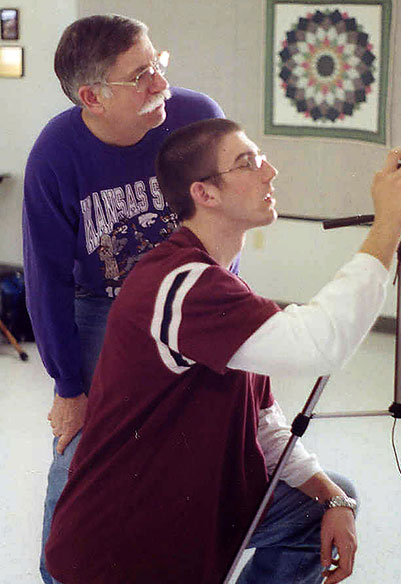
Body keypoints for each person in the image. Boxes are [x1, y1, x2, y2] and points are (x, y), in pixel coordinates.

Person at [45, 118, 401, 584]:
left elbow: (263, 421)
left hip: (186, 507)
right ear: (204, 194)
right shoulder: (180, 285)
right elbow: (320, 345)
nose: (269, 172)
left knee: (328, 501)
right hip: (119, 551)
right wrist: (389, 225)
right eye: (247, 163)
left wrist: (332, 498)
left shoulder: (221, 284)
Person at [22, 14, 226, 584]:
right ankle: (58, 574)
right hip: (102, 307)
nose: (160, 83)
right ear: (92, 96)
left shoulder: (195, 118)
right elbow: (45, 280)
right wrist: (69, 385)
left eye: (158, 64)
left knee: (203, 443)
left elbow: (227, 221)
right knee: (81, 454)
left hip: (189, 300)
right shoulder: (56, 154)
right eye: (141, 76)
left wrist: (218, 311)